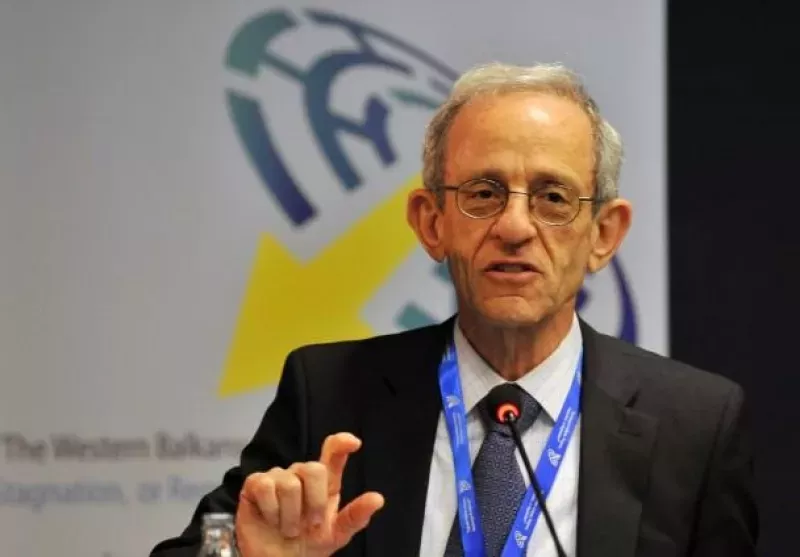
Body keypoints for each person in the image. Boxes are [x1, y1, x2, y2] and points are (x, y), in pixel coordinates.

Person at [150, 62, 758, 557]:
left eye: (552, 197)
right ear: (431, 222)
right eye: (483, 194)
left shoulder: (693, 425)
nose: (514, 227)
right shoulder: (330, 394)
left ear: (603, 234)